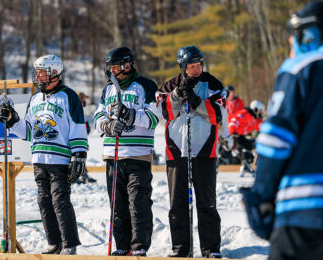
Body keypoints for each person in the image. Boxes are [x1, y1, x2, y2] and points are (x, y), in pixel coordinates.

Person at [241, 0, 323, 260]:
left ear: (307, 34)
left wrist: (261, 195)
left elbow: (276, 140)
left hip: (305, 212)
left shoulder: (301, 68)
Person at [0, 54, 88, 255]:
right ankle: (54, 243)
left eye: (42, 72)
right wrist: (12, 121)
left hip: (60, 159)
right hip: (39, 159)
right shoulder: (35, 98)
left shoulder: (69, 96)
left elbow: (78, 127)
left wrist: (79, 155)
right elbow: (28, 132)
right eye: (36, 72)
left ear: (54, 73)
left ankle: (69, 245)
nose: (38, 76)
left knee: (60, 200)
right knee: (44, 201)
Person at [158, 45, 225, 258]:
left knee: (206, 202)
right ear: (183, 67)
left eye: (198, 65)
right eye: (191, 66)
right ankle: (181, 249)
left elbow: (219, 115)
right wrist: (177, 95)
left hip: (205, 150)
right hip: (177, 151)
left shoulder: (213, 84)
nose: (196, 70)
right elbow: (162, 116)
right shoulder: (169, 85)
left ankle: (210, 249)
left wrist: (198, 104)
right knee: (177, 204)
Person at [93, 47, 160, 256]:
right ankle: (121, 246)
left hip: (137, 155)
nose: (111, 71)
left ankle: (139, 246)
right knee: (117, 204)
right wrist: (108, 126)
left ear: (126, 65)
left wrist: (130, 115)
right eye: (110, 67)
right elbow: (97, 117)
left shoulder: (146, 86)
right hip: (113, 156)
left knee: (138, 202)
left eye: (115, 67)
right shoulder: (108, 90)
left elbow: (153, 118)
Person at [228, 100, 265, 177]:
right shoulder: (244, 113)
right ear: (255, 109)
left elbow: (260, 126)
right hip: (233, 135)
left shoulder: (254, 118)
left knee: (249, 146)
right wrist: (233, 132)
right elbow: (234, 120)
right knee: (231, 150)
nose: (261, 113)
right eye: (260, 111)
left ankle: (246, 166)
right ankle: (217, 164)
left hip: (241, 136)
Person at [76, 91, 96, 184]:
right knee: (77, 156)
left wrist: (86, 127)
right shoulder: (75, 108)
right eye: (84, 99)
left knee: (81, 156)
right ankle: (78, 176)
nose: (85, 101)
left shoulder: (80, 109)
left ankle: (84, 176)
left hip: (81, 137)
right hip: (76, 137)